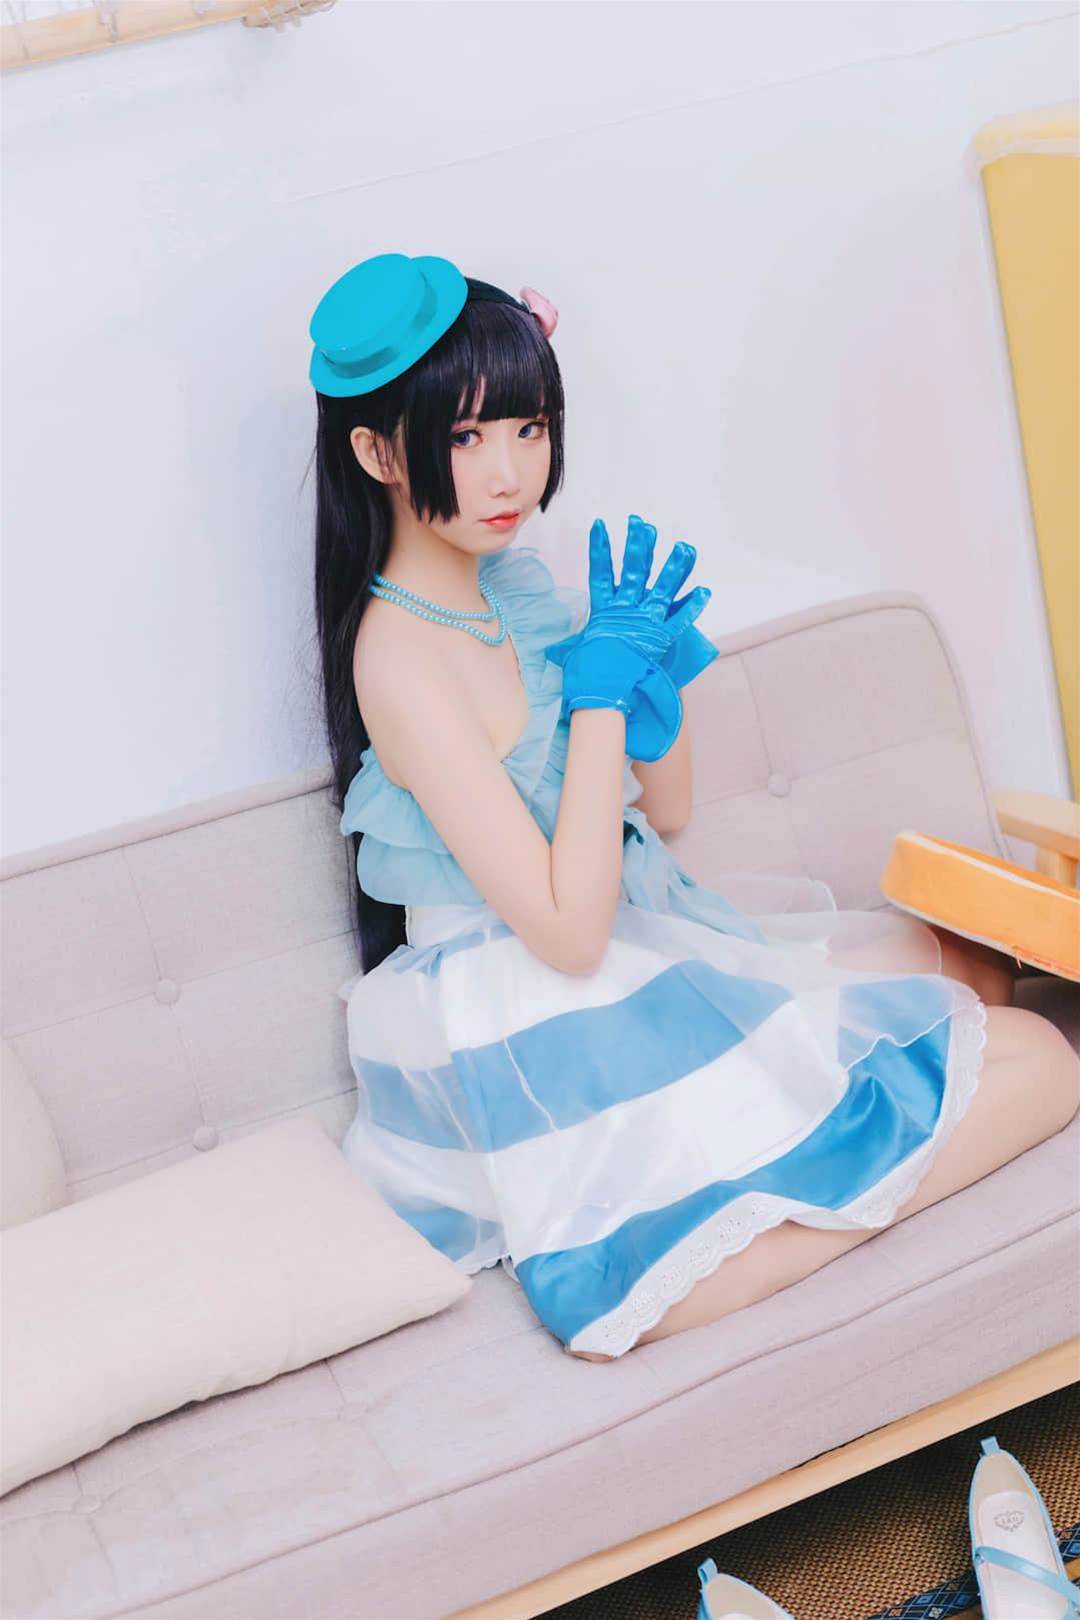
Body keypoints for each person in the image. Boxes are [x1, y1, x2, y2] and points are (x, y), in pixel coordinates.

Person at [308, 252, 1080, 1362]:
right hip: (532, 1000)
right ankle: (709, 1258)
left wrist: (647, 692)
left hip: (626, 931)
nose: (509, 472)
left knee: (976, 975)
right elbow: (568, 932)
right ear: (378, 453)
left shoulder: (510, 591)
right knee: (1044, 1062)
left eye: (528, 428)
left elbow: (661, 814)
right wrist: (597, 696)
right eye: (466, 437)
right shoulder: (397, 657)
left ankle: (794, 1195)